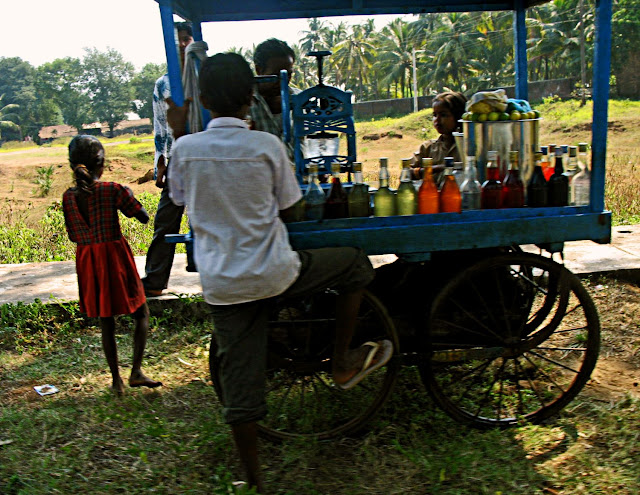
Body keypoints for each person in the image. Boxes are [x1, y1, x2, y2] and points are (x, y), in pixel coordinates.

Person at [167, 53, 393, 493]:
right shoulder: (267, 147)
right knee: (352, 262)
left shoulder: (186, 149)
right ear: (252, 98)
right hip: (276, 271)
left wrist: (179, 132)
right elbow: (292, 209)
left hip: (224, 285)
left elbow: (177, 196)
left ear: (205, 100)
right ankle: (343, 361)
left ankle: (253, 479)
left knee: (239, 386)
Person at [62, 135, 162, 396]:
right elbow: (142, 216)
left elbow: (73, 234)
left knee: (107, 320)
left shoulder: (68, 197)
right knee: (140, 312)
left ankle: (116, 381)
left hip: (88, 261)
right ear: (101, 164)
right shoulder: (112, 189)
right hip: (115, 258)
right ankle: (136, 372)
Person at [141, 22, 194, 297]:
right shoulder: (163, 84)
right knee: (166, 220)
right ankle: (155, 279)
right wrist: (159, 165)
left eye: (187, 40)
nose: (183, 45)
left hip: (204, 156)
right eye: (178, 42)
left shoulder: (203, 78)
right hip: (177, 159)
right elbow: (161, 128)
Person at [250, 38, 298, 162]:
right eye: (277, 75)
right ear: (259, 70)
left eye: (288, 74)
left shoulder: (299, 100)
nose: (284, 80)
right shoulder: (245, 104)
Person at [411, 91, 468, 181]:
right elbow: (406, 173)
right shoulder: (428, 148)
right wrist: (434, 169)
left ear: (458, 117)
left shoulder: (467, 148)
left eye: (443, 115)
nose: (437, 120)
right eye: (435, 115)